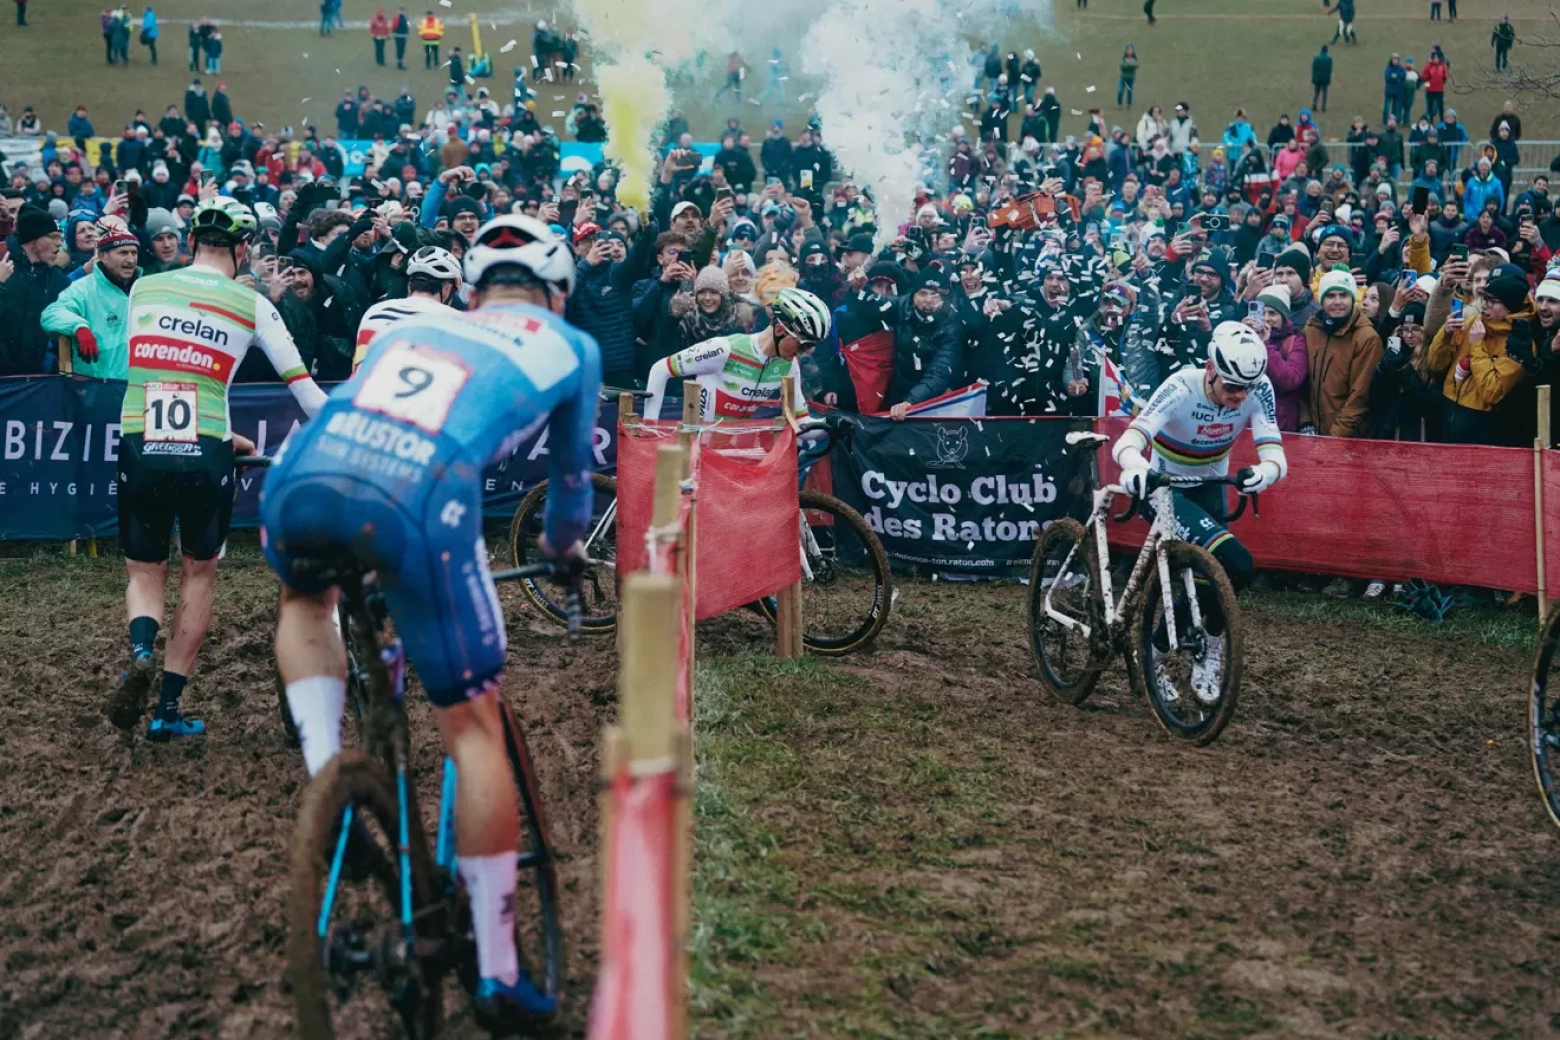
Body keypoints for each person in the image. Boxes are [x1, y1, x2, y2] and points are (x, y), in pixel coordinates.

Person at [260, 215, 596, 1031]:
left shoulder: (430, 325)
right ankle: (498, 970)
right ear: (559, 292)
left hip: (302, 477)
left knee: (306, 600)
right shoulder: (570, 346)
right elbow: (570, 484)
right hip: (416, 500)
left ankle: (329, 772)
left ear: (471, 291)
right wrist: (562, 552)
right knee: (473, 724)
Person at [105, 197, 327, 740]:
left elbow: (167, 374)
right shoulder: (251, 304)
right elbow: (309, 397)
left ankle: (140, 649)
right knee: (198, 572)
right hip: (205, 446)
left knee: (143, 569)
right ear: (243, 248)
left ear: (190, 242)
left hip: (142, 436)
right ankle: (167, 709)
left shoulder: (144, 288)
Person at [1112, 321, 1287, 701]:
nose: (1241, 397)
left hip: (1210, 485)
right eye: (1232, 387)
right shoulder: (1181, 386)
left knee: (1220, 573)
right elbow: (1128, 440)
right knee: (1236, 561)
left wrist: (1265, 472)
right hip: (1162, 486)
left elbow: (1275, 453)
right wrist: (1137, 469)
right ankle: (1158, 653)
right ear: (1211, 370)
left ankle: (1203, 644)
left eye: (1247, 388)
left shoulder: (1258, 388)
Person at [644, 286, 830, 422]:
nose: (807, 351)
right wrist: (649, 426)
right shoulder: (724, 349)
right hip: (697, 451)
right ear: (781, 330)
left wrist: (831, 425)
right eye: (805, 344)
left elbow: (802, 424)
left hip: (733, 454)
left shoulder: (789, 365)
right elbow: (660, 369)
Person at [40, 222, 140, 379]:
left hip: (139, 391)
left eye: (134, 253)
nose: (130, 260)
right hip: (94, 393)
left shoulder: (145, 288)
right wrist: (79, 327)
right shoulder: (82, 289)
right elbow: (51, 314)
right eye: (123, 253)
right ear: (102, 256)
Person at [353, 245, 462, 370]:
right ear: (447, 290)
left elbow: (359, 369)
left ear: (409, 287)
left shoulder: (375, 312)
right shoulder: (457, 322)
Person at [1311, 45, 1333, 112]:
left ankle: (1314, 105)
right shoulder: (1329, 59)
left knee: (1316, 93)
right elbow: (1330, 69)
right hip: (1325, 79)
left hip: (1317, 79)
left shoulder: (1316, 59)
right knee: (1324, 93)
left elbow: (1313, 69)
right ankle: (1323, 107)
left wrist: (1314, 78)